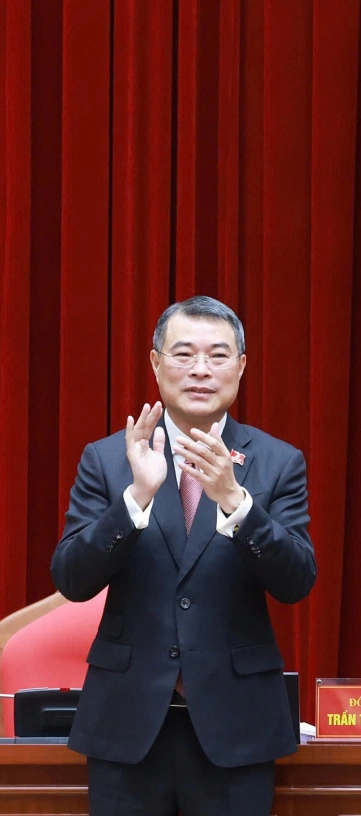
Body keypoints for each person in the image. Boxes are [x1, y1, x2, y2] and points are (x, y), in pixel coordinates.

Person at [50, 296, 316, 816]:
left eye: (218, 355)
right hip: (127, 721)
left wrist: (237, 503)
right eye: (184, 354)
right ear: (155, 363)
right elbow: (72, 579)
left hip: (237, 725)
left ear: (241, 366)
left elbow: (296, 581)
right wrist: (135, 500)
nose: (200, 370)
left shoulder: (277, 461)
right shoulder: (109, 458)